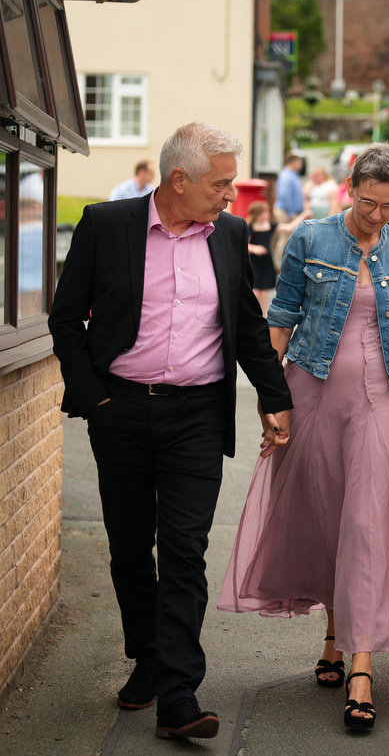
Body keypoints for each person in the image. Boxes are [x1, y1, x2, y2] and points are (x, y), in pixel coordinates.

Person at [50, 123, 293, 741]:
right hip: (121, 410)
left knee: (184, 547)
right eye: (221, 183)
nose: (232, 195)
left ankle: (179, 693)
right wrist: (95, 399)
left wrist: (275, 397)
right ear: (177, 180)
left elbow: (244, 320)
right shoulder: (108, 226)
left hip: (196, 417)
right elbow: (66, 318)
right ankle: (148, 658)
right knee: (131, 545)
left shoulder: (231, 235)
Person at [219, 143, 389, 733]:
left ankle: (360, 666)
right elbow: (280, 318)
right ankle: (334, 634)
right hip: (310, 392)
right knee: (326, 515)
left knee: (366, 521)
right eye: (369, 202)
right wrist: (270, 403)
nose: (378, 215)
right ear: (349, 187)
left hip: (378, 400)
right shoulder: (310, 238)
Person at [246, 200, 278, 313]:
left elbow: (288, 227)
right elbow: (243, 244)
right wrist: (255, 248)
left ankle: (263, 314)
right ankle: (252, 313)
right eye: (264, 212)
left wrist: (303, 216)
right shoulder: (250, 227)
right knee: (255, 290)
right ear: (257, 214)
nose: (267, 215)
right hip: (254, 262)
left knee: (264, 291)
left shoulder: (270, 225)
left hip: (266, 261)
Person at [275, 153, 307, 223]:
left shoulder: (293, 174)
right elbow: (284, 195)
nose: (301, 164)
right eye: (299, 162)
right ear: (293, 162)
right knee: (286, 234)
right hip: (285, 213)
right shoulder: (286, 176)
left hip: (290, 213)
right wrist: (290, 213)